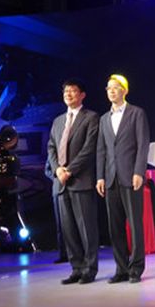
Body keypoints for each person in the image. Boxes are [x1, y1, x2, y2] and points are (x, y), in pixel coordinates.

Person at [96, 74, 150, 284]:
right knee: (115, 226)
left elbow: (143, 144)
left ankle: (136, 268)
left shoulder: (136, 113)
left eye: (115, 87)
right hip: (110, 178)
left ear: (124, 90)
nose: (111, 91)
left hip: (130, 176)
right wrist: (100, 177)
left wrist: (139, 172)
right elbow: (101, 150)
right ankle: (121, 268)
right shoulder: (103, 119)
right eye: (108, 88)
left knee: (135, 225)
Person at [47, 78, 100, 285]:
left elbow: (89, 148)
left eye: (73, 91)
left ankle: (89, 269)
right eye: (65, 91)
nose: (68, 94)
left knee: (87, 229)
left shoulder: (91, 117)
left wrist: (69, 170)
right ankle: (76, 268)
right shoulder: (58, 121)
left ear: (82, 95)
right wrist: (57, 169)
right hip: (60, 183)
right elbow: (51, 147)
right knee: (68, 230)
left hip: (80, 180)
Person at [44, 159, 67, 263]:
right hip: (58, 190)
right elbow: (47, 170)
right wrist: (57, 177)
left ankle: (81, 253)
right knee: (60, 225)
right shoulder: (53, 153)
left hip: (75, 187)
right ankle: (64, 254)